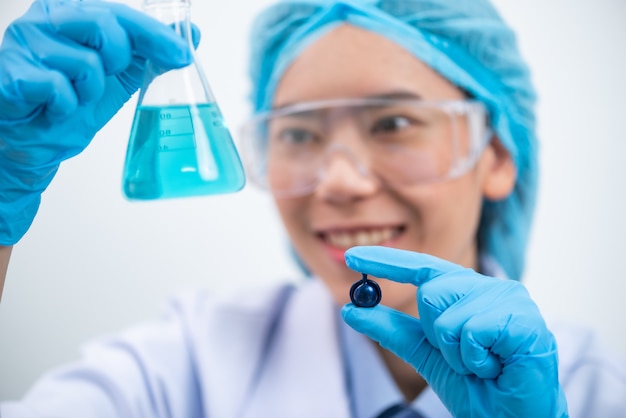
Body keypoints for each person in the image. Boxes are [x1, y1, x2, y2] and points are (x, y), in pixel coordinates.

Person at [1, 0, 625, 416]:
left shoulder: (599, 390)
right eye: (298, 133)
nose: (340, 183)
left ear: (496, 155)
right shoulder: (187, 365)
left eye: (396, 122)